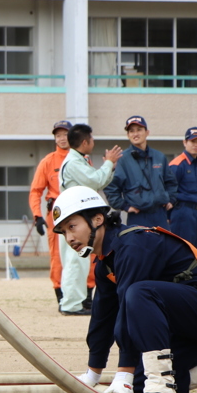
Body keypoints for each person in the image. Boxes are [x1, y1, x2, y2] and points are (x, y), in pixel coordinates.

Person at [52, 186, 197, 393]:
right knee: (137, 387)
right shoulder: (105, 264)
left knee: (138, 293)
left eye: (72, 227)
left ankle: (161, 390)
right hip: (184, 326)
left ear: (97, 219)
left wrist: (123, 374)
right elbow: (101, 321)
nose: (69, 237)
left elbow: (129, 308)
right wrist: (92, 376)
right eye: (64, 232)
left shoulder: (133, 245)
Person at [58, 123, 122, 316]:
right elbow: (95, 181)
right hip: (74, 218)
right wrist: (109, 162)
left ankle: (75, 301)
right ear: (85, 141)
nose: (93, 142)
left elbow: (98, 181)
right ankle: (71, 304)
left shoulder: (78, 160)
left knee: (79, 261)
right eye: (92, 139)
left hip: (76, 217)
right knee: (75, 262)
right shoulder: (74, 163)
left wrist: (109, 167)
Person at [106, 115, 177, 228]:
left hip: (160, 215)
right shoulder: (122, 159)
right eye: (131, 131)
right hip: (138, 216)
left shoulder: (159, 156)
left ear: (147, 132)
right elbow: (111, 187)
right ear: (128, 135)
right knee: (140, 245)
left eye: (139, 130)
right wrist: (125, 206)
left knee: (164, 245)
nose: (135, 134)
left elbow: (171, 182)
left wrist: (171, 199)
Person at [29, 120, 72, 304]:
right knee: (57, 255)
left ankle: (86, 294)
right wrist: (37, 216)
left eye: (65, 134)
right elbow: (36, 191)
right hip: (56, 213)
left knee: (87, 253)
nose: (62, 138)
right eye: (58, 135)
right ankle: (60, 293)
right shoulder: (48, 161)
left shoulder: (82, 159)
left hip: (78, 213)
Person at [168, 127, 197, 247]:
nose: (196, 145)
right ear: (185, 142)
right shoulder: (177, 164)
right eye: (193, 141)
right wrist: (168, 217)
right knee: (181, 250)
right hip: (182, 212)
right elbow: (168, 192)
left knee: (194, 252)